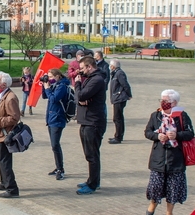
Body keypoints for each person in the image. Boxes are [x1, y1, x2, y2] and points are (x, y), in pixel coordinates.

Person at [144, 89, 194, 215]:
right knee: (155, 185)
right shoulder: (155, 115)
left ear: (175, 103)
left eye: (166, 100)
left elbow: (190, 133)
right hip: (158, 157)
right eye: (161, 100)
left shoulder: (182, 116)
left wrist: (177, 135)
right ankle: (153, 203)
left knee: (173, 187)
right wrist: (157, 136)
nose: (163, 102)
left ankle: (169, 212)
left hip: (175, 158)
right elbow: (147, 132)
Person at [74, 55, 106, 195]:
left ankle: (93, 184)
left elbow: (80, 96)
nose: (80, 72)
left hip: (93, 122)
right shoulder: (90, 79)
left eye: (82, 68)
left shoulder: (97, 80)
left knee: (92, 154)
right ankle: (92, 180)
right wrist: (80, 96)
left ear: (89, 66)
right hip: (86, 121)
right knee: (89, 154)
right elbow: (79, 98)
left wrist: (77, 84)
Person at [0, 72, 21, 198]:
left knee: (5, 161)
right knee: (0, 160)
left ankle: (12, 189)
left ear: (4, 84)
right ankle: (4, 182)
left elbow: (14, 117)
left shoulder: (10, 97)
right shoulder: (2, 95)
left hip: (6, 134)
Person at [41, 68, 69, 179]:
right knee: (54, 145)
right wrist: (44, 86)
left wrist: (47, 88)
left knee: (55, 144)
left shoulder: (62, 86)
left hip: (58, 118)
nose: (50, 79)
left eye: (51, 77)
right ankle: (58, 167)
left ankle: (60, 169)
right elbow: (45, 96)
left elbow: (54, 99)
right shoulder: (55, 85)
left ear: (57, 76)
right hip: (51, 118)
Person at [108, 59, 131, 144]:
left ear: (113, 66)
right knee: (117, 118)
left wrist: (129, 94)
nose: (109, 67)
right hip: (116, 98)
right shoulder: (115, 73)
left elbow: (125, 84)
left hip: (119, 98)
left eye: (110, 65)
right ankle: (117, 135)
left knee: (118, 118)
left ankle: (118, 137)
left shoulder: (119, 73)